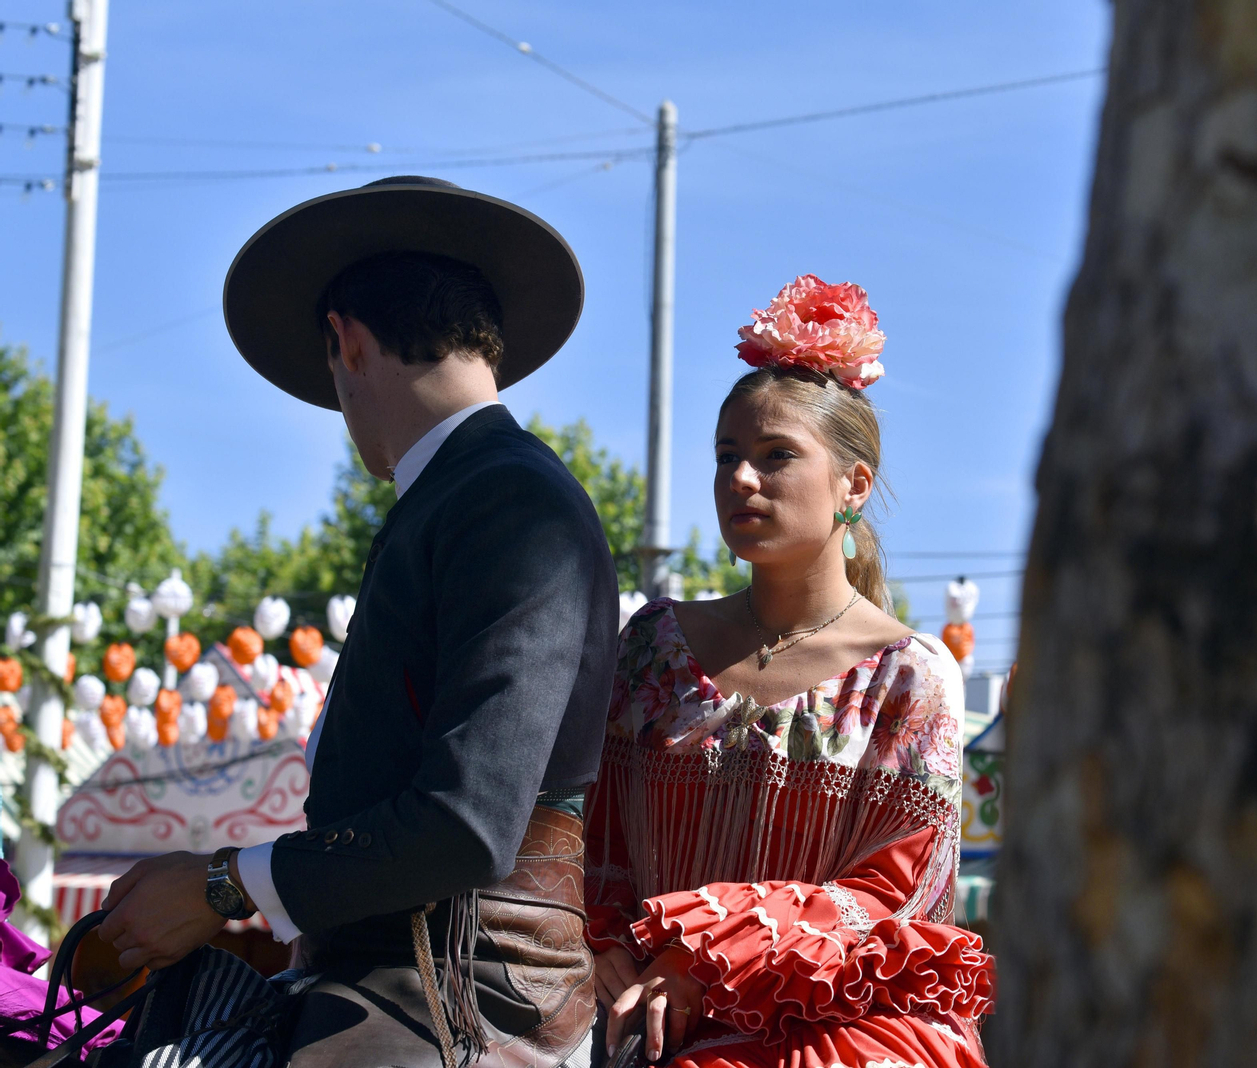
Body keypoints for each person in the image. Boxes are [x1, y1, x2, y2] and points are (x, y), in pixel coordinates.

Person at [94, 176, 619, 1067]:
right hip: (393, 984)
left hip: (466, 996)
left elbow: (465, 822)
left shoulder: (506, 496)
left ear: (346, 341)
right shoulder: (469, 492)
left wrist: (223, 885)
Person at [585, 275, 993, 1068]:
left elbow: (888, 896)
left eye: (776, 456)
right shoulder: (653, 645)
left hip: (838, 1029)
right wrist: (600, 940)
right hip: (636, 1014)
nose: (741, 478)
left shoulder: (908, 678)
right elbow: (592, 834)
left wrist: (706, 955)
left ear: (854, 486)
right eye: (727, 457)